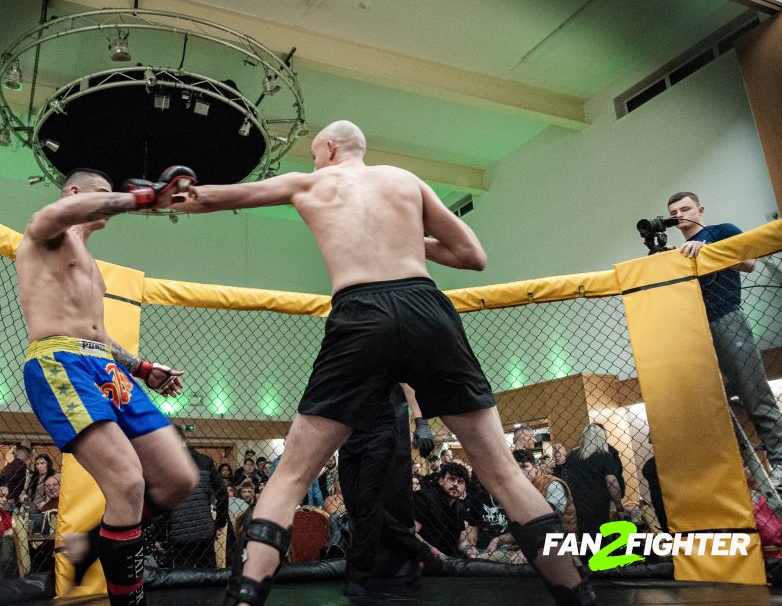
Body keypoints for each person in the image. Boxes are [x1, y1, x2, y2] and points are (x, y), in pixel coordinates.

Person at [176, 120, 595, 606]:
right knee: (501, 470)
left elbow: (208, 198)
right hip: (427, 309)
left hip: (359, 313)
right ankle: (578, 597)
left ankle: (242, 601)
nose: (314, 162)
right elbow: (472, 255)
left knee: (291, 475)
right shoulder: (406, 180)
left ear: (329, 149)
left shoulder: (312, 182)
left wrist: (153, 195)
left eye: (315, 154)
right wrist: (403, 241)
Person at [16, 166, 199, 603]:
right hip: (61, 363)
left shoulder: (90, 261)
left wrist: (142, 367)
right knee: (128, 484)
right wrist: (141, 199)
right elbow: (66, 212)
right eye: (104, 195)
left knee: (178, 479)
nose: (112, 202)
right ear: (75, 194)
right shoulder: (45, 232)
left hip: (106, 368)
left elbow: (97, 335)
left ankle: (90, 545)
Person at [668, 191, 782, 484]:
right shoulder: (681, 249)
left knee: (754, 393)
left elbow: (750, 264)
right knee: (714, 406)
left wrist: (707, 251)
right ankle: (739, 470)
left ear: (700, 209)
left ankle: (780, 461)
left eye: (685, 209)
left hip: (727, 318)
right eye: (674, 212)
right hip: (695, 328)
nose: (679, 215)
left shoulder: (722, 231)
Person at [339, 384, 436, 596]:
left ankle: (358, 573)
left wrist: (421, 421)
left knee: (367, 502)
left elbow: (406, 381)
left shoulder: (382, 352)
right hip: (349, 430)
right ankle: (417, 549)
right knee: (354, 503)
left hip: (380, 430)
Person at [561, 424, 624, 540]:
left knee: (584, 533)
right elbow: (612, 481)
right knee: (601, 534)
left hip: (577, 500)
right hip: (599, 501)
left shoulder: (573, 456)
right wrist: (618, 504)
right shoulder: (605, 456)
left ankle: (587, 556)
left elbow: (566, 478)